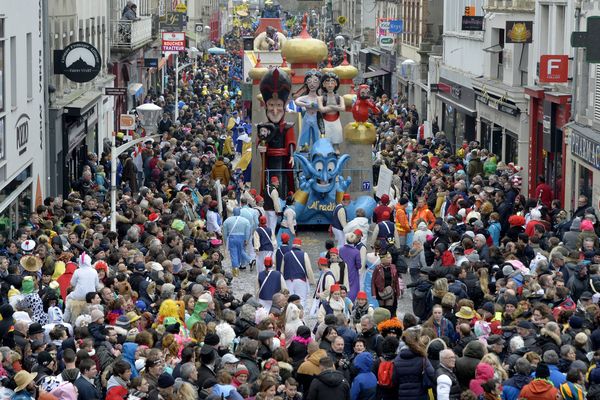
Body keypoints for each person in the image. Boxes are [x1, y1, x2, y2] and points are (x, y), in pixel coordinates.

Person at [281, 238, 315, 308]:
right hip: (300, 280)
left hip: (288, 281)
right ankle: (300, 316)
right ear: (300, 246)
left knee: (289, 300)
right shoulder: (304, 254)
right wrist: (312, 281)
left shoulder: (286, 255)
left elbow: (282, 270)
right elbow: (309, 269)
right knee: (301, 300)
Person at [222, 208, 251, 276]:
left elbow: (225, 233)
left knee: (234, 254)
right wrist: (247, 240)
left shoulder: (227, 220)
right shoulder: (245, 221)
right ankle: (249, 261)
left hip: (232, 238)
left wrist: (225, 241)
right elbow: (247, 232)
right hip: (242, 238)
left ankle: (235, 272)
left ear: (233, 212)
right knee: (241, 251)